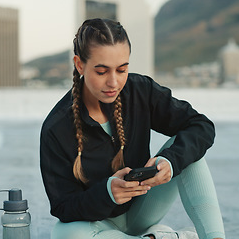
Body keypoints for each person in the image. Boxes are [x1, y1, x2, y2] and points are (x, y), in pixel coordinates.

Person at [40, 18, 225, 239]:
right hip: (96, 224)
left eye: (122, 69)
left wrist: (170, 162)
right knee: (63, 234)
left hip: (143, 209)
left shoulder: (140, 91)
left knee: (190, 155)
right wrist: (108, 193)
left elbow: (200, 126)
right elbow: (63, 206)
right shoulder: (56, 127)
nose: (114, 82)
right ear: (80, 65)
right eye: (101, 72)